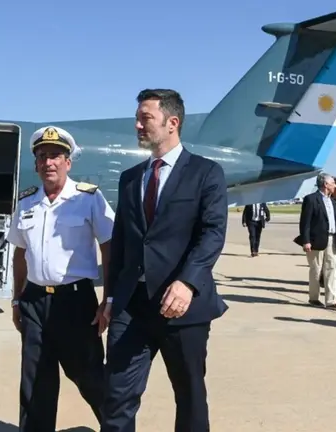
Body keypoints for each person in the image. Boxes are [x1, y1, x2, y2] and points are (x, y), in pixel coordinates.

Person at [101, 89, 229, 432]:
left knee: (188, 395)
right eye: (138, 118)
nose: (138, 125)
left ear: (172, 123)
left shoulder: (206, 173)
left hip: (181, 306)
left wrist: (188, 282)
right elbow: (124, 242)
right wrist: (111, 297)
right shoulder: (131, 178)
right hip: (132, 306)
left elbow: (212, 233)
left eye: (146, 118)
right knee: (116, 394)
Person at [6, 125, 115, 431]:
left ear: (68, 162)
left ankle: (116, 425)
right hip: (35, 301)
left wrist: (109, 298)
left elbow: (109, 247)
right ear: (36, 164)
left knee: (89, 375)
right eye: (42, 156)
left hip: (75, 301)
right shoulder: (26, 203)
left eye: (55, 156)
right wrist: (17, 299)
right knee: (35, 380)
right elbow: (19, 254)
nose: (48, 162)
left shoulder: (88, 198)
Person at [296, 173, 336, 311]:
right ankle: (314, 298)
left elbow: (335, 222)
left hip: (332, 239)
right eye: (333, 183)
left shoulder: (332, 201)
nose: (335, 185)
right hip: (316, 240)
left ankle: (331, 300)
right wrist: (306, 241)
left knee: (331, 270)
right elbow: (305, 222)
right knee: (316, 270)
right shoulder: (311, 199)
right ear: (325, 185)